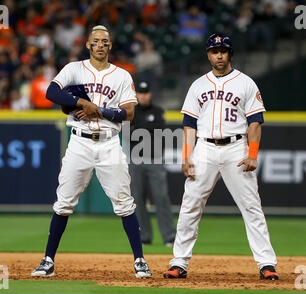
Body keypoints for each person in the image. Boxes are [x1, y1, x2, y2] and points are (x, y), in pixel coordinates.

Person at [31, 25, 152, 279]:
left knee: (124, 203)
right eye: (95, 41)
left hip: (109, 142)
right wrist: (81, 102)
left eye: (104, 42)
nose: (100, 45)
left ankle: (140, 259)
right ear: (88, 45)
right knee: (63, 202)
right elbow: (51, 92)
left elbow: (128, 114)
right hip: (79, 143)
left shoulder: (121, 75)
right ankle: (48, 260)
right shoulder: (74, 69)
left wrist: (99, 110)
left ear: (109, 46)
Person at [163, 33, 279, 280]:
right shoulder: (198, 85)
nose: (219, 55)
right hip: (204, 148)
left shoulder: (245, 82)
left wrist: (252, 153)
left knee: (251, 206)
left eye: (223, 51)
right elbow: (189, 125)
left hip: (236, 147)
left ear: (229, 54)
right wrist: (187, 156)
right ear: (208, 54)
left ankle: (267, 264)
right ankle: (179, 262)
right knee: (190, 205)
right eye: (214, 51)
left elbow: (255, 122)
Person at [129, 81, 176, 247]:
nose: (143, 95)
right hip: (136, 159)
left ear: (150, 94)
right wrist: (146, 130)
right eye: (140, 93)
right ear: (136, 95)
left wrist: (140, 129)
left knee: (161, 197)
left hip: (155, 159)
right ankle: (144, 236)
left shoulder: (157, 111)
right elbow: (129, 134)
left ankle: (169, 236)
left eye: (146, 92)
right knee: (138, 199)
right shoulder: (131, 111)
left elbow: (160, 132)